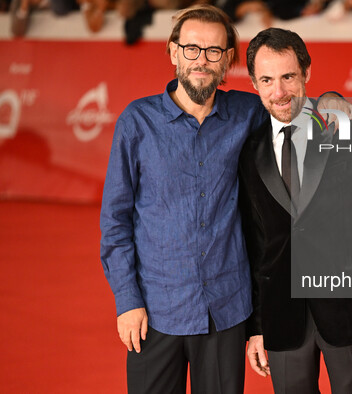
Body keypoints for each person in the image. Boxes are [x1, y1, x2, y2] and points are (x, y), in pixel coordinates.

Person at [239, 28, 352, 393]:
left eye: (288, 76)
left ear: (306, 72)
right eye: (267, 80)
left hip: (347, 306)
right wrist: (256, 326)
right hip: (282, 316)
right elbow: (255, 243)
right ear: (254, 83)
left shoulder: (347, 125)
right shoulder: (248, 146)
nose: (279, 92)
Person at [99, 5, 267, 393]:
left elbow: (295, 114)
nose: (201, 61)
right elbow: (115, 221)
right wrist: (126, 300)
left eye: (213, 52)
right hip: (155, 311)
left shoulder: (248, 114)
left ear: (227, 60)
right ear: (174, 52)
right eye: (192, 49)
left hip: (227, 309)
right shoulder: (136, 122)